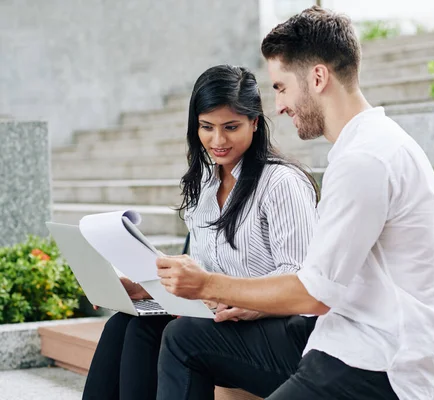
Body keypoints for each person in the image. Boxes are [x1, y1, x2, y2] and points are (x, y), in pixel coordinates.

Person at [155, 6, 434, 400]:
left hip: (380, 365)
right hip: (336, 337)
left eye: (281, 87)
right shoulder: (362, 147)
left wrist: (209, 284)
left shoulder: (366, 159)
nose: (278, 105)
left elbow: (313, 293)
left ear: (317, 77)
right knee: (184, 339)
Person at [82, 65, 319, 400]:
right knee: (127, 325)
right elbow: (204, 274)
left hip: (278, 326)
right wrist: (147, 287)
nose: (217, 140)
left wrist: (244, 300)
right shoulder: (205, 186)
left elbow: (302, 276)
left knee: (180, 333)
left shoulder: (280, 183)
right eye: (207, 127)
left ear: (254, 122)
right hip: (223, 319)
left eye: (231, 127)